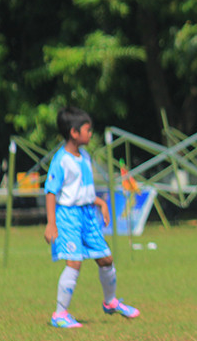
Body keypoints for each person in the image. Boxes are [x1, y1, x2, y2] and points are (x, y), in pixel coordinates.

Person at [44, 106, 140, 328]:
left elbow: (82, 190)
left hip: (88, 214)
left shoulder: (84, 157)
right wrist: (51, 223)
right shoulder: (61, 160)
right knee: (74, 262)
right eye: (87, 130)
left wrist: (101, 203)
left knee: (106, 259)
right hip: (69, 216)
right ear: (74, 132)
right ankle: (60, 314)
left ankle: (111, 302)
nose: (90, 133)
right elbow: (50, 191)